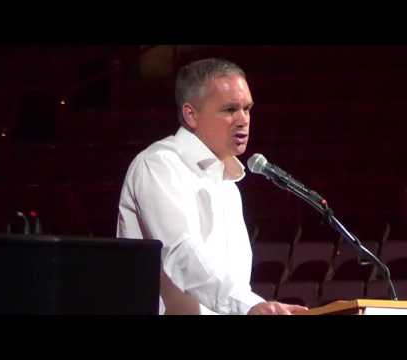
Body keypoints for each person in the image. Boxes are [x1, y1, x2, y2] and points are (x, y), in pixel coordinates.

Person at [116, 58, 308, 315]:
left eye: (247, 109)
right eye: (230, 109)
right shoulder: (159, 165)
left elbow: (232, 284)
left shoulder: (228, 185)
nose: (243, 120)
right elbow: (181, 253)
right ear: (191, 114)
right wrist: (250, 306)